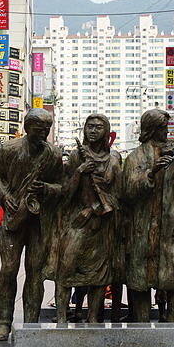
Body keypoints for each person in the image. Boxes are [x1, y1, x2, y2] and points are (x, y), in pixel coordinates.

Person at [0, 108, 63, 340]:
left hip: (40, 220)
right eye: (38, 129)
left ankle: (31, 323)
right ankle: (3, 321)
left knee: (35, 273)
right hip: (14, 216)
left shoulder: (53, 154)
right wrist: (5, 196)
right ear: (26, 127)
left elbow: (61, 186)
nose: (43, 133)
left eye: (47, 129)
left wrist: (46, 189)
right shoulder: (10, 149)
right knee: (9, 269)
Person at [121, 109, 174, 323]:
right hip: (143, 228)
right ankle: (141, 326)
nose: (166, 132)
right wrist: (150, 174)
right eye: (162, 128)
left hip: (171, 228)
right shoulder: (135, 157)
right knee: (140, 282)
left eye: (167, 127)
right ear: (151, 129)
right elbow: (128, 191)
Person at [53, 114, 121, 324]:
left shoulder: (113, 159)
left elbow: (118, 195)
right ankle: (62, 316)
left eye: (98, 127)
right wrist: (79, 172)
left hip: (101, 225)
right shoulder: (76, 156)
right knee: (65, 268)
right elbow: (65, 193)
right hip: (76, 222)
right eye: (89, 126)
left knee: (98, 276)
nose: (93, 130)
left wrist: (92, 209)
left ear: (106, 131)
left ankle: (93, 318)